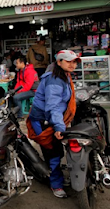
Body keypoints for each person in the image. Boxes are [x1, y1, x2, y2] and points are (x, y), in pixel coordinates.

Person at [26, 50, 79, 198]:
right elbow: (53, 106)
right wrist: (59, 126)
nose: (72, 64)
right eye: (68, 61)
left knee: (55, 150)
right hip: (43, 119)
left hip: (51, 118)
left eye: (74, 62)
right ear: (59, 62)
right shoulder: (55, 80)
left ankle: (56, 178)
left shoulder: (64, 76)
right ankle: (55, 184)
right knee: (53, 152)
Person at [13, 55, 39, 120]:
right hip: (27, 89)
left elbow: (28, 86)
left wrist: (18, 92)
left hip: (34, 90)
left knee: (16, 97)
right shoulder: (20, 71)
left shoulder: (29, 71)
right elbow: (19, 82)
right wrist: (15, 90)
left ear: (22, 63)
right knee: (9, 94)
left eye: (17, 63)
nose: (16, 64)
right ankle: (12, 113)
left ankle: (20, 116)